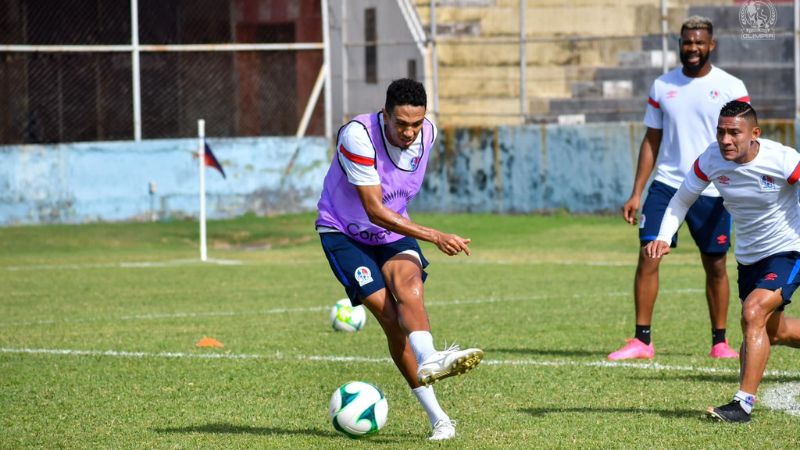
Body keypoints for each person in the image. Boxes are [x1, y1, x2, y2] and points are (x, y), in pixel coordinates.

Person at [316, 78, 484, 440]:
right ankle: (438, 415)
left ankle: (431, 362)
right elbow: (374, 210)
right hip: (345, 233)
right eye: (401, 123)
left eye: (416, 123)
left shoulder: (428, 134)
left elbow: (391, 205)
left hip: (392, 230)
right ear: (385, 115)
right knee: (393, 322)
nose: (409, 132)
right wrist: (436, 236)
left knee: (409, 288)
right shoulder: (357, 137)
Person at [645, 100, 800, 422]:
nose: (726, 140)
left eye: (734, 133)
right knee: (775, 332)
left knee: (752, 312)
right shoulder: (710, 159)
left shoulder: (784, 159)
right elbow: (682, 199)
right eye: (721, 132)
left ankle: (742, 404)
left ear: (754, 133)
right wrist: (662, 235)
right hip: (748, 257)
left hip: (789, 249)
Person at [609, 16, 750, 360]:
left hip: (713, 188)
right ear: (680, 44)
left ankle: (720, 342)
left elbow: (744, 139)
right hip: (668, 185)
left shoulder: (731, 86)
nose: (692, 48)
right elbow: (651, 140)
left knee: (715, 264)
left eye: (699, 42)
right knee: (648, 254)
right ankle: (642, 340)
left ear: (711, 45)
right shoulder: (662, 87)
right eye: (687, 42)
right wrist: (636, 191)